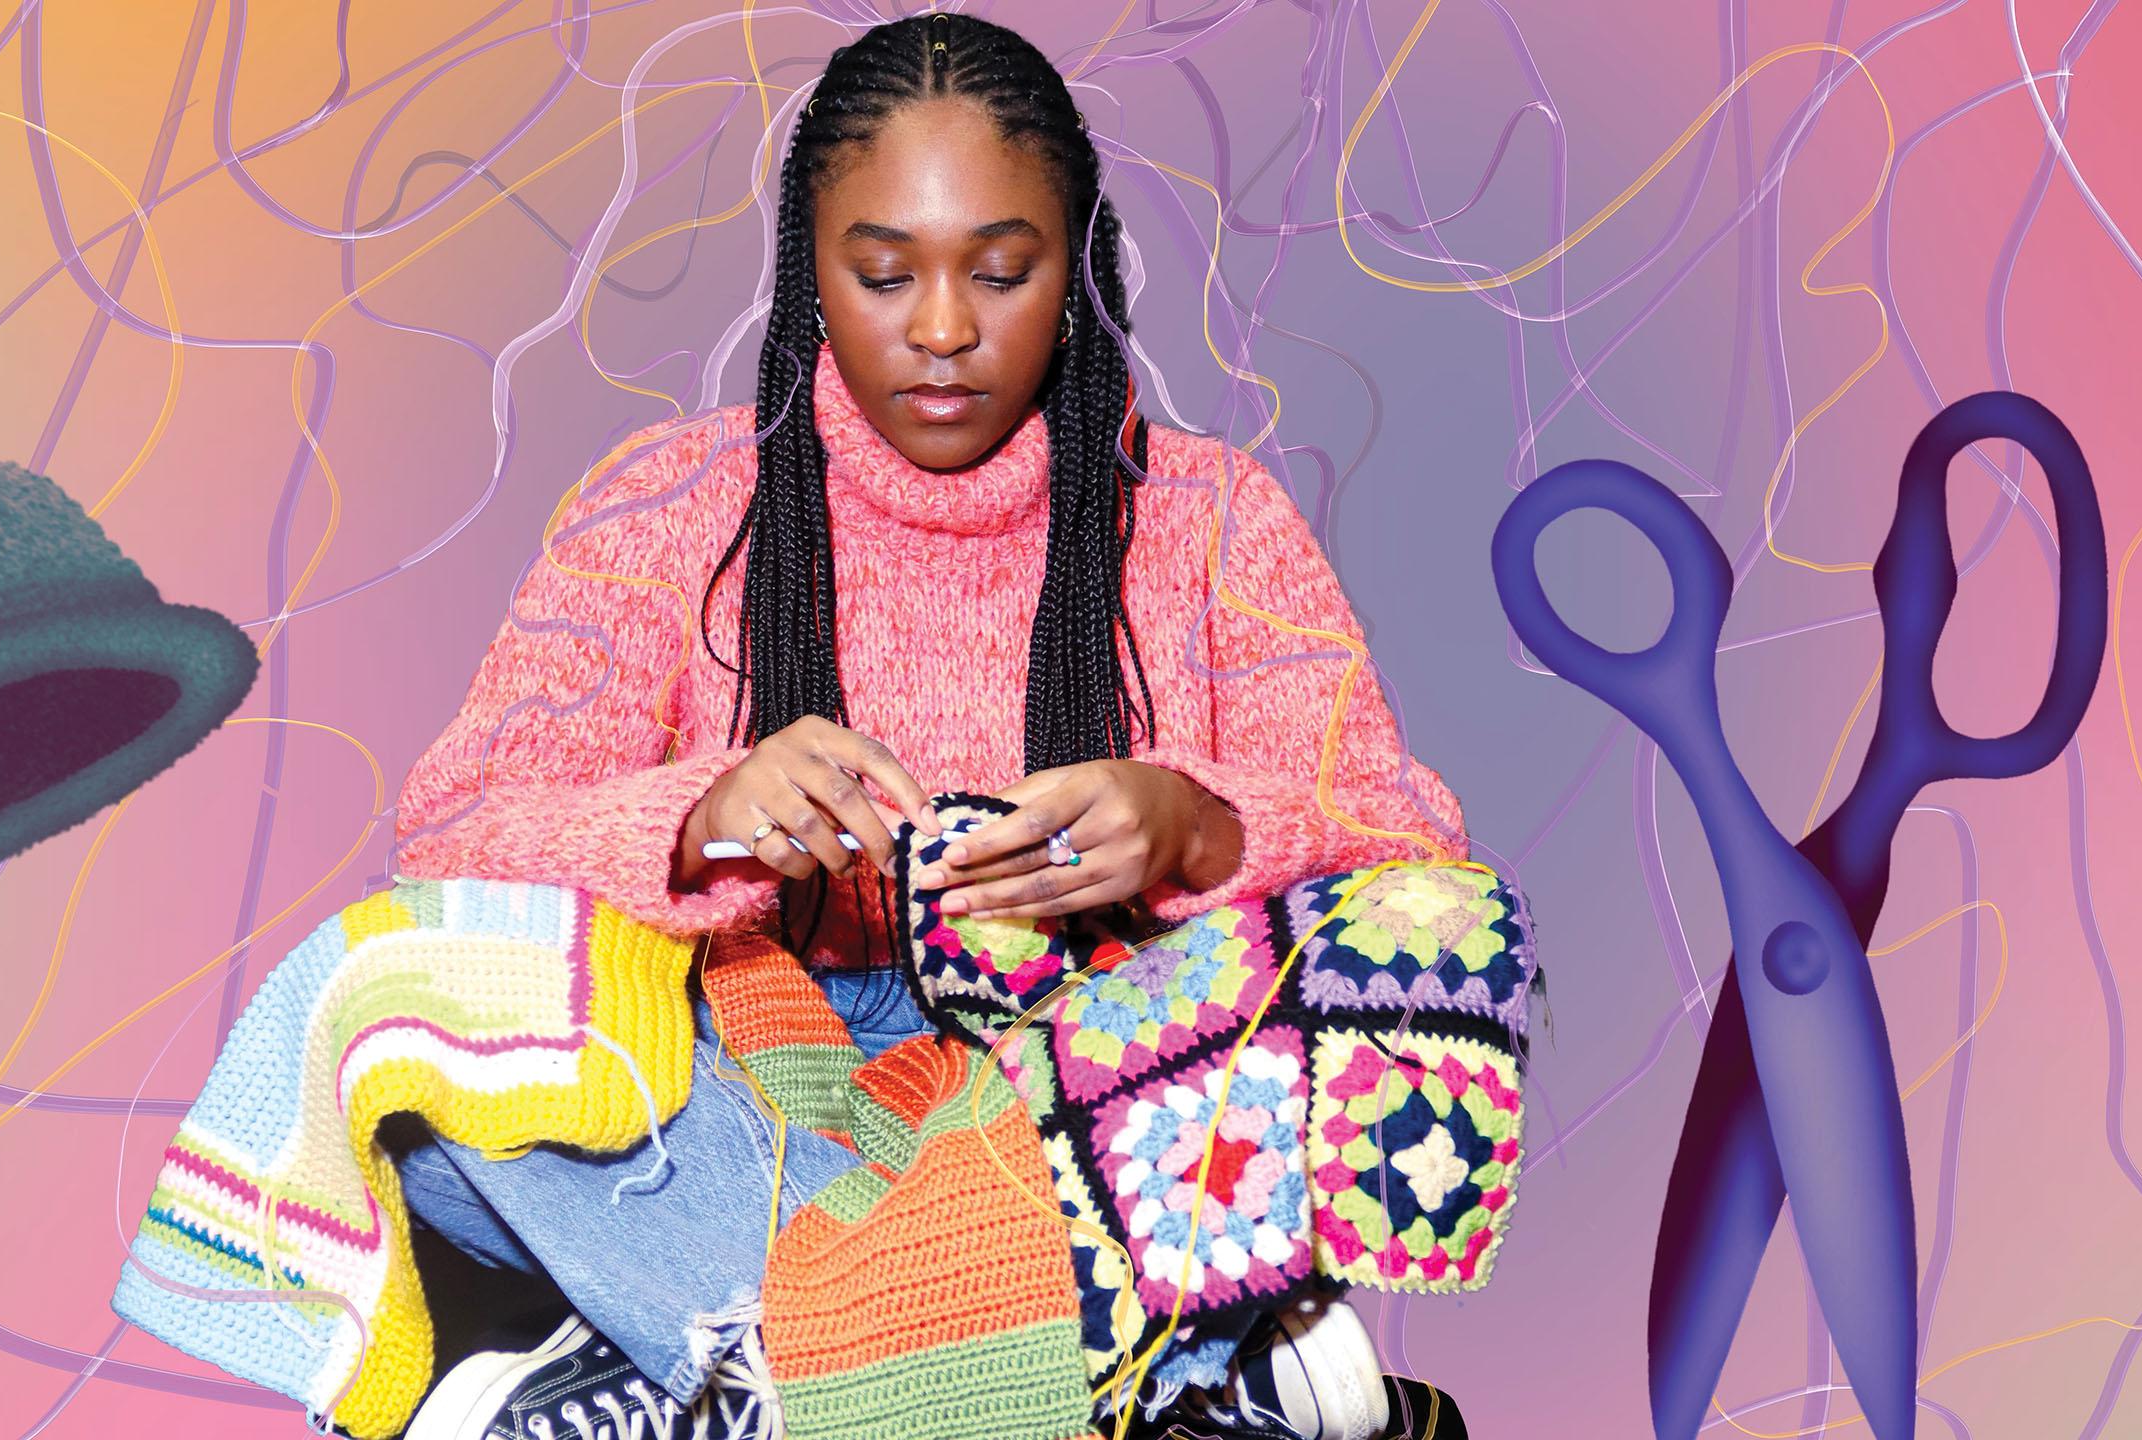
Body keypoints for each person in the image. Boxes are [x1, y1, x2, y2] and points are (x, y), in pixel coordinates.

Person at [385, 13, 1470, 1440]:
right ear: (808, 271)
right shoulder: (668, 507)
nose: (945, 328)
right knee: (399, 1034)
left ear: (1074, 272)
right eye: (884, 274)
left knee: (1442, 961)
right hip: (751, 1110)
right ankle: (1142, 1362)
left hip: (1083, 1098)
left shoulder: (1210, 521)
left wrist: (1196, 826)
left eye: (1002, 272)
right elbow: (448, 836)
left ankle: (716, 1376)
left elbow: (1412, 846)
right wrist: (701, 814)